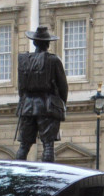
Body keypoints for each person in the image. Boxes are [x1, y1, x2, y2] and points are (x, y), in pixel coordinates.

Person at [14, 26, 68, 162]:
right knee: (48, 145)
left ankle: (18, 175)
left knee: (24, 146)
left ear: (34, 43)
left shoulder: (23, 59)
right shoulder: (53, 60)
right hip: (48, 105)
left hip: (26, 106)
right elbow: (63, 86)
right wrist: (62, 104)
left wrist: (23, 102)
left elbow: (21, 86)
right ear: (48, 43)